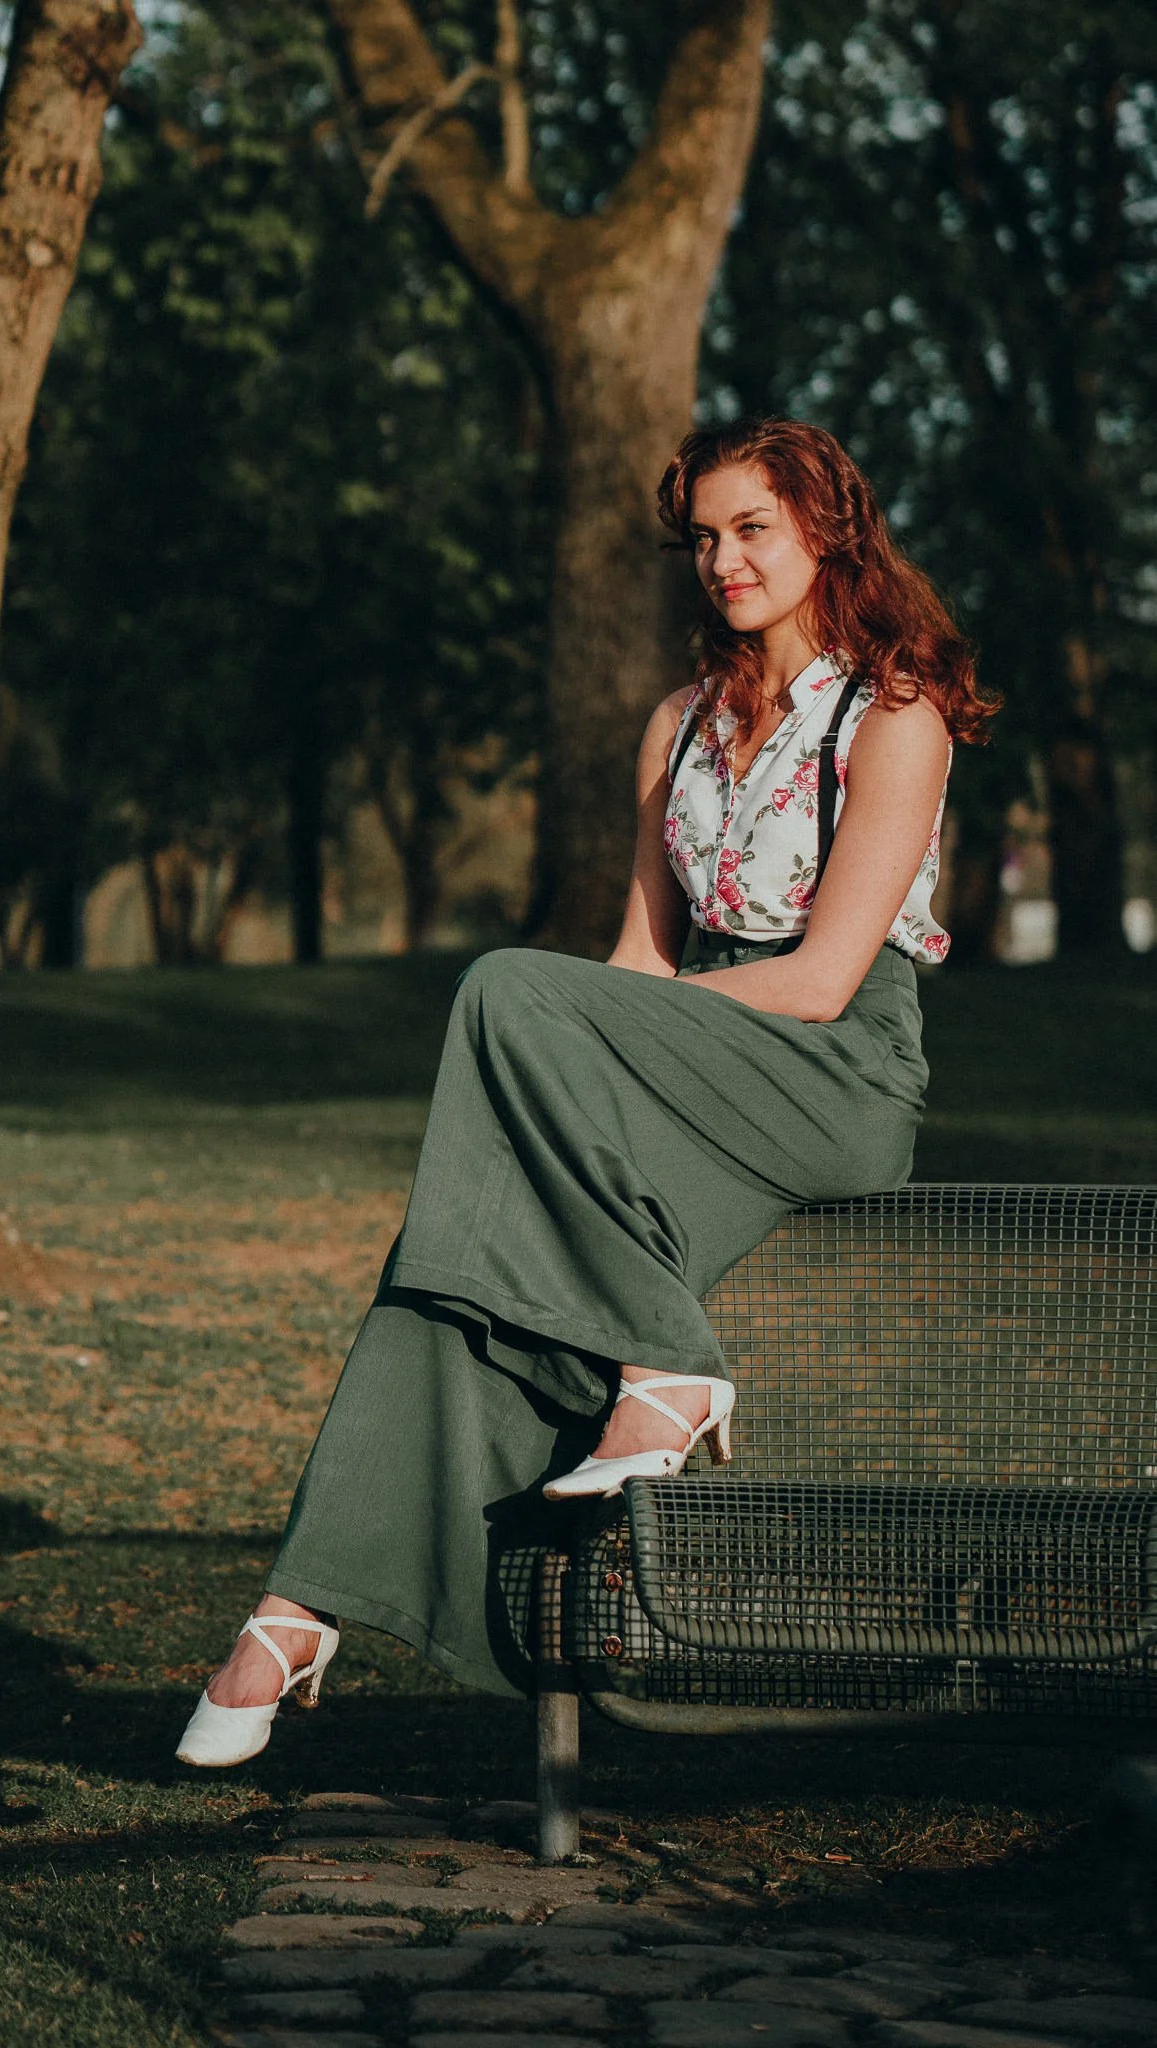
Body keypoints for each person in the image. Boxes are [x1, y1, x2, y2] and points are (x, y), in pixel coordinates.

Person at [177, 416, 998, 1768]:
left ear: (823, 531)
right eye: (702, 539)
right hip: (685, 1059)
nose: (721, 561)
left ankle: (667, 1368)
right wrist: (599, 1040)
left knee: (506, 988)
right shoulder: (676, 727)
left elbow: (819, 977)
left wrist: (598, 1027)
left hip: (832, 1064)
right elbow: (635, 960)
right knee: (453, 1262)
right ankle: (300, 1607)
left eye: (751, 529)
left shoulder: (891, 712)